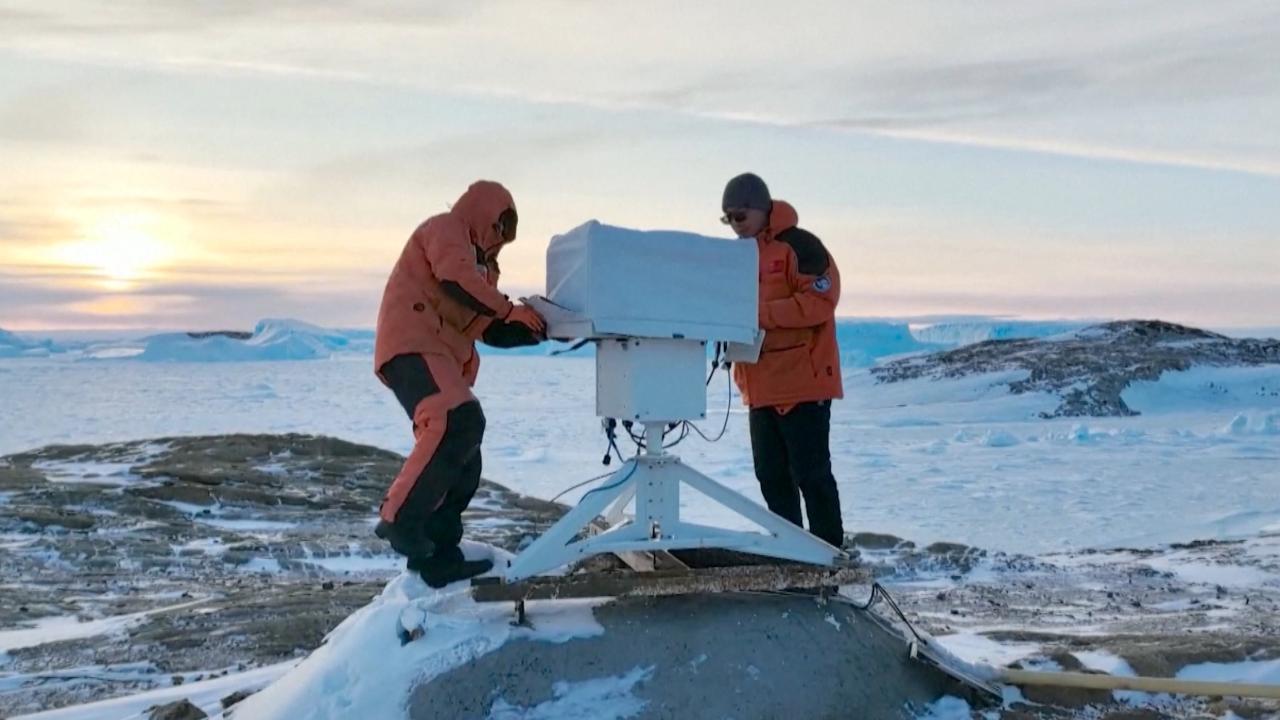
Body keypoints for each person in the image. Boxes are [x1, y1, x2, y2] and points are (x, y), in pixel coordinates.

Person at [373, 180, 547, 587]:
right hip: (412, 343)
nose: (502, 239)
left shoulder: (482, 268)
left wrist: (542, 329)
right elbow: (455, 278)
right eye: (500, 227)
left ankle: (438, 555)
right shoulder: (446, 230)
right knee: (455, 419)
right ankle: (399, 519)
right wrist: (508, 309)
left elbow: (485, 324)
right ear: (485, 214)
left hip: (436, 353)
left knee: (466, 450)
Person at [720, 172, 845, 547]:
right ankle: (792, 556)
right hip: (759, 386)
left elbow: (820, 301)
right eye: (728, 219)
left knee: (811, 475)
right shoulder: (739, 257)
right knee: (772, 478)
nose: (735, 226)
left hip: (802, 384)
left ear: (761, 209)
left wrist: (758, 314)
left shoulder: (800, 246)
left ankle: (827, 558)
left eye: (739, 216)